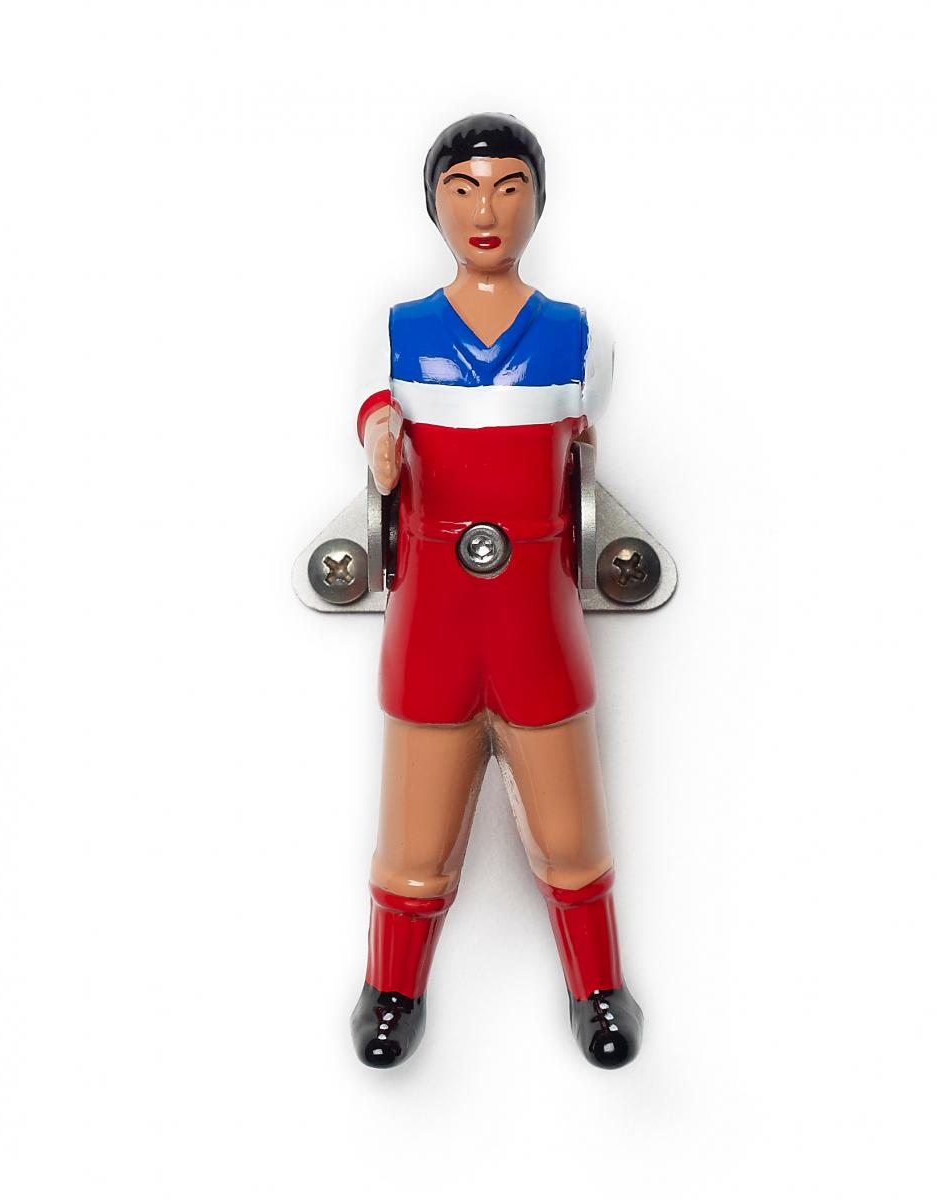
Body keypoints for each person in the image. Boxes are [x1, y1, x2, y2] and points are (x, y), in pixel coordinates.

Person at [349, 113, 643, 1069]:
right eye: (465, 190)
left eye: (509, 189)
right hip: (433, 623)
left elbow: (582, 446)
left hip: (537, 624)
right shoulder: (402, 330)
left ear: (537, 204)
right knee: (414, 836)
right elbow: (376, 406)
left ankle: (600, 989)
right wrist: (380, 433)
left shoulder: (575, 337)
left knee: (570, 829)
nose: (487, 211)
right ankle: (391, 991)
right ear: (435, 205)